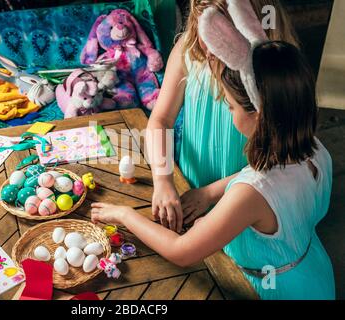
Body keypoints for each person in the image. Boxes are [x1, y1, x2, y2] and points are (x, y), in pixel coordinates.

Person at [91, 38, 335, 299]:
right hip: (312, 273)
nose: (229, 112)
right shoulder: (314, 149)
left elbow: (181, 251)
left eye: (230, 106)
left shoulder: (251, 193)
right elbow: (274, 192)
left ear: (258, 115)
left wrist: (126, 215)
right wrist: (211, 197)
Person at [145, 0, 298, 233]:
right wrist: (163, 180)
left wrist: (210, 194)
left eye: (216, 29)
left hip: (249, 201)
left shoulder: (275, 68)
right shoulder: (188, 49)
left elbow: (283, 158)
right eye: (201, 27)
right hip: (190, 189)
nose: (206, 46)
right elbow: (161, 120)